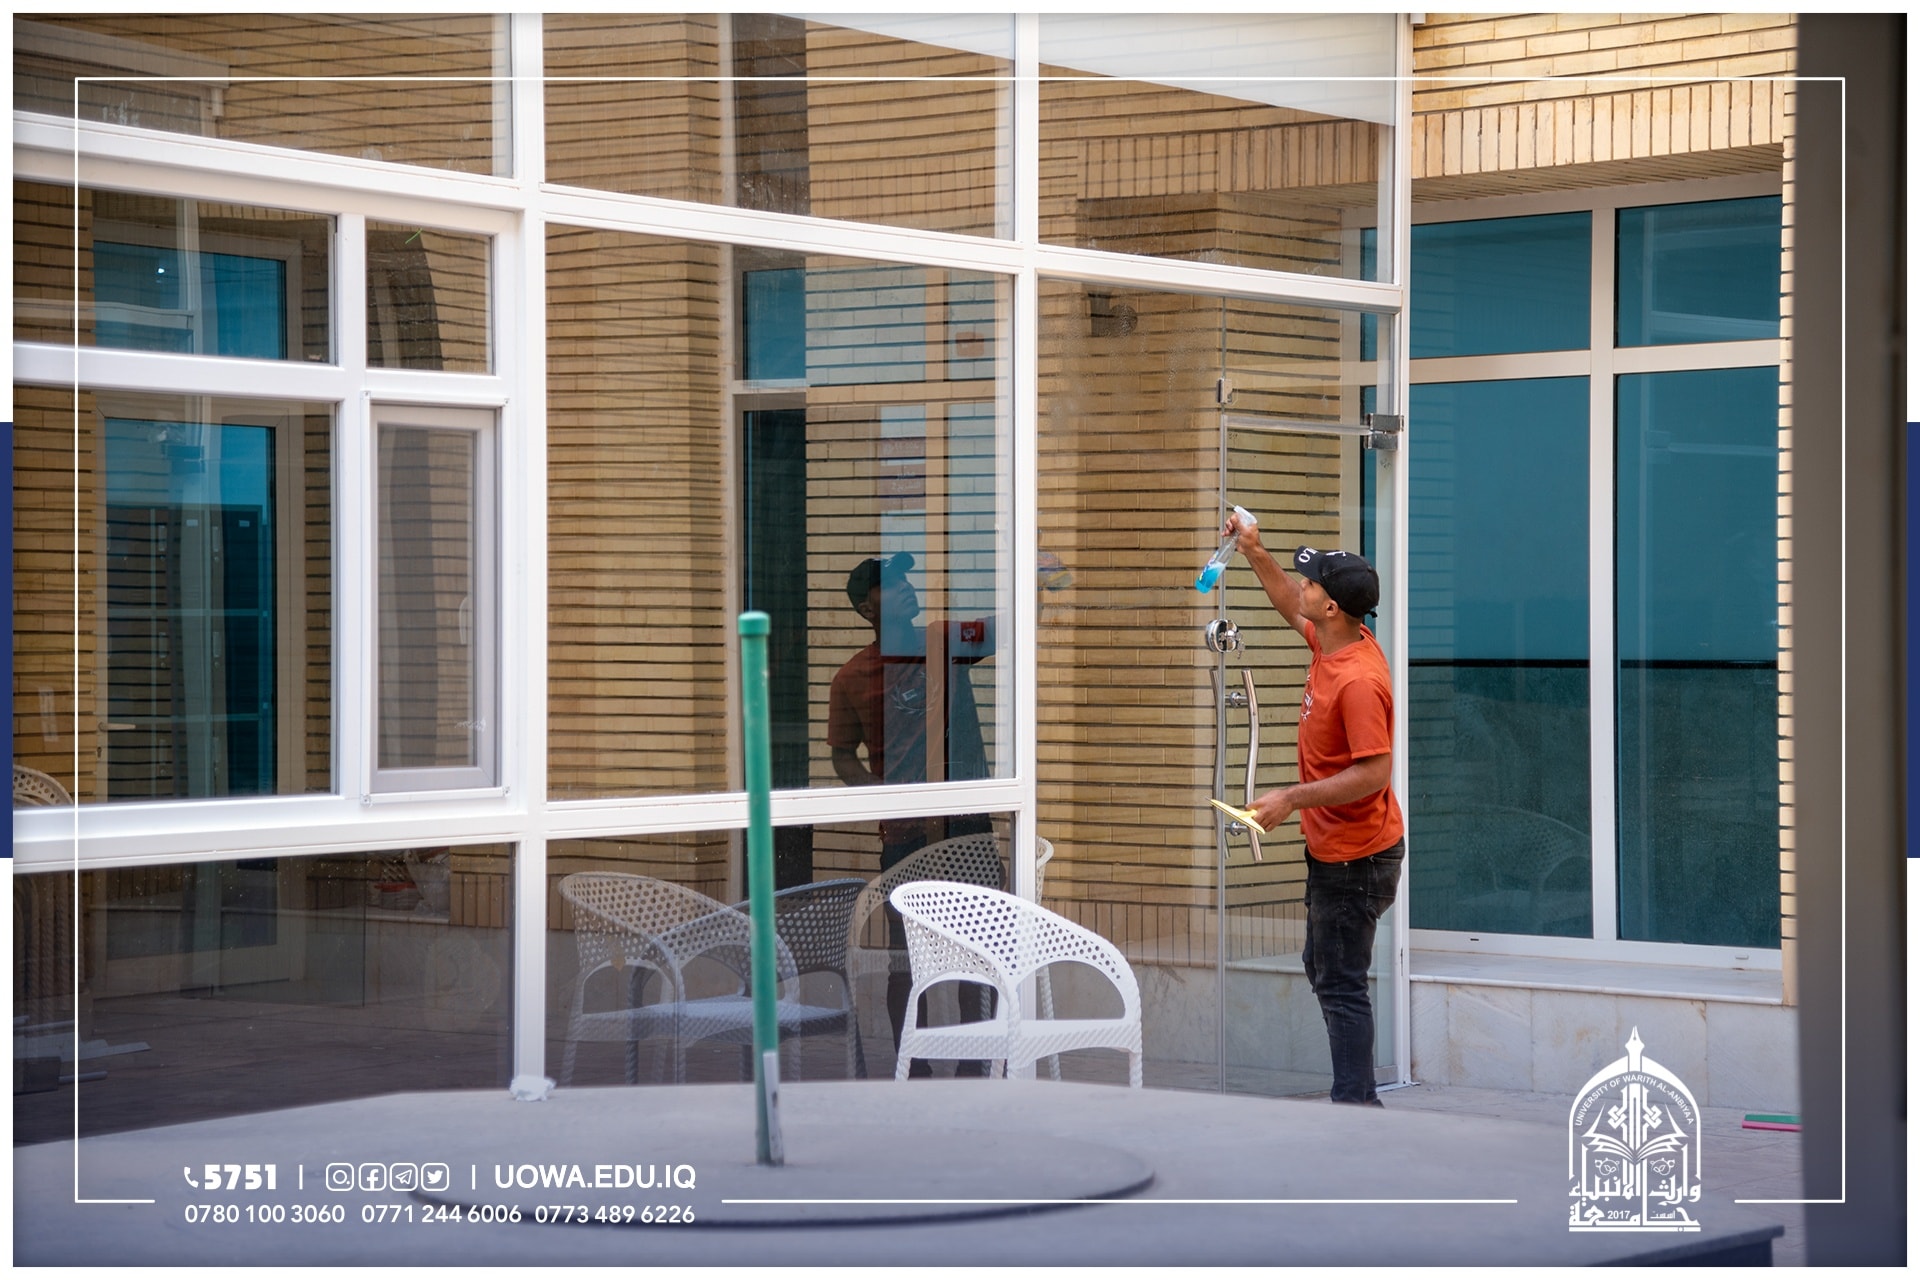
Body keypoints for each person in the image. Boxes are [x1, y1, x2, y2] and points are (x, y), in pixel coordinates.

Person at [1226, 512, 1406, 1107]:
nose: (1301, 586)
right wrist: (1254, 550)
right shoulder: (1334, 639)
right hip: (1339, 852)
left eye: (1311, 583)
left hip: (1359, 858)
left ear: (1331, 607)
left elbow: (1375, 772)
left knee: (1341, 983)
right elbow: (1288, 603)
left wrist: (1291, 797)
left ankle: (1356, 1108)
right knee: (1325, 967)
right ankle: (1355, 1100)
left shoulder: (1357, 681)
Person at [827, 551, 995, 1076]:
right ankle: (913, 1068)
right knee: (907, 961)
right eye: (889, 584)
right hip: (904, 836)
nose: (904, 587)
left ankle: (974, 1065)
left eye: (905, 579)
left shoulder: (944, 640)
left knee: (978, 957)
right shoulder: (851, 677)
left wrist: (1038, 578)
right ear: (866, 608)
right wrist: (881, 795)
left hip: (966, 826)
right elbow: (841, 755)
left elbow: (1008, 629)